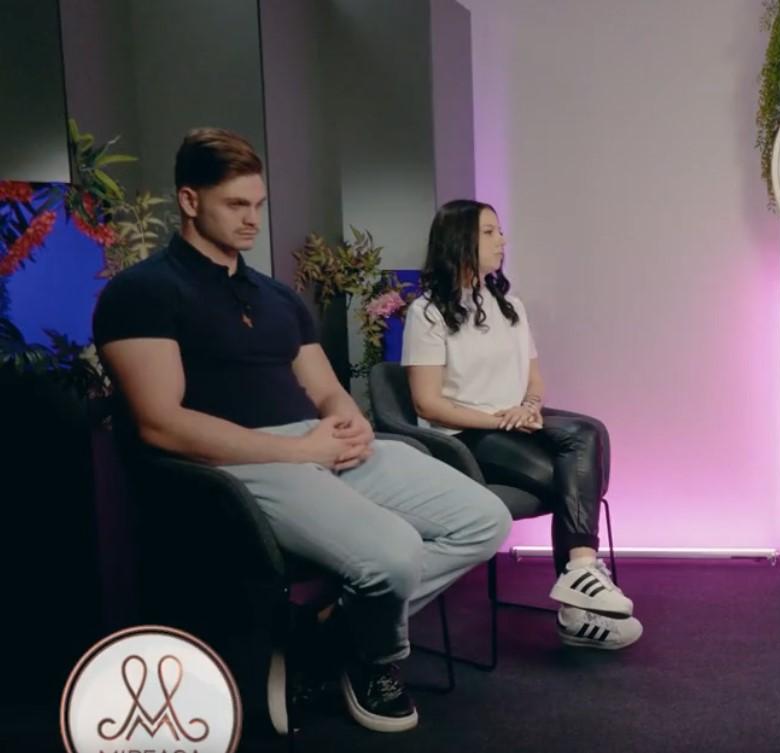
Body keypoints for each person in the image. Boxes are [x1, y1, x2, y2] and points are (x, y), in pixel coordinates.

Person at [94, 128, 510, 732]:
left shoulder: (276, 297)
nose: (251, 219)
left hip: (315, 444)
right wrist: (295, 450)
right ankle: (373, 658)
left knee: (485, 519)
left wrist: (349, 420)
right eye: (236, 204)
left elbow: (324, 388)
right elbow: (161, 424)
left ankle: (325, 636)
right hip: (236, 464)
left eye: (258, 204)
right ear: (189, 200)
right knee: (394, 554)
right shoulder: (142, 293)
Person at [402, 199, 642, 650]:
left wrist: (529, 406)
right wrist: (497, 419)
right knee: (572, 478)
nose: (502, 240)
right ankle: (577, 602)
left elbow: (534, 380)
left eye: (500, 231)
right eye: (489, 232)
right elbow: (427, 404)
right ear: (459, 241)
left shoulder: (509, 306)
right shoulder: (427, 313)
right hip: (464, 437)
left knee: (588, 430)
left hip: (512, 423)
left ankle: (579, 579)